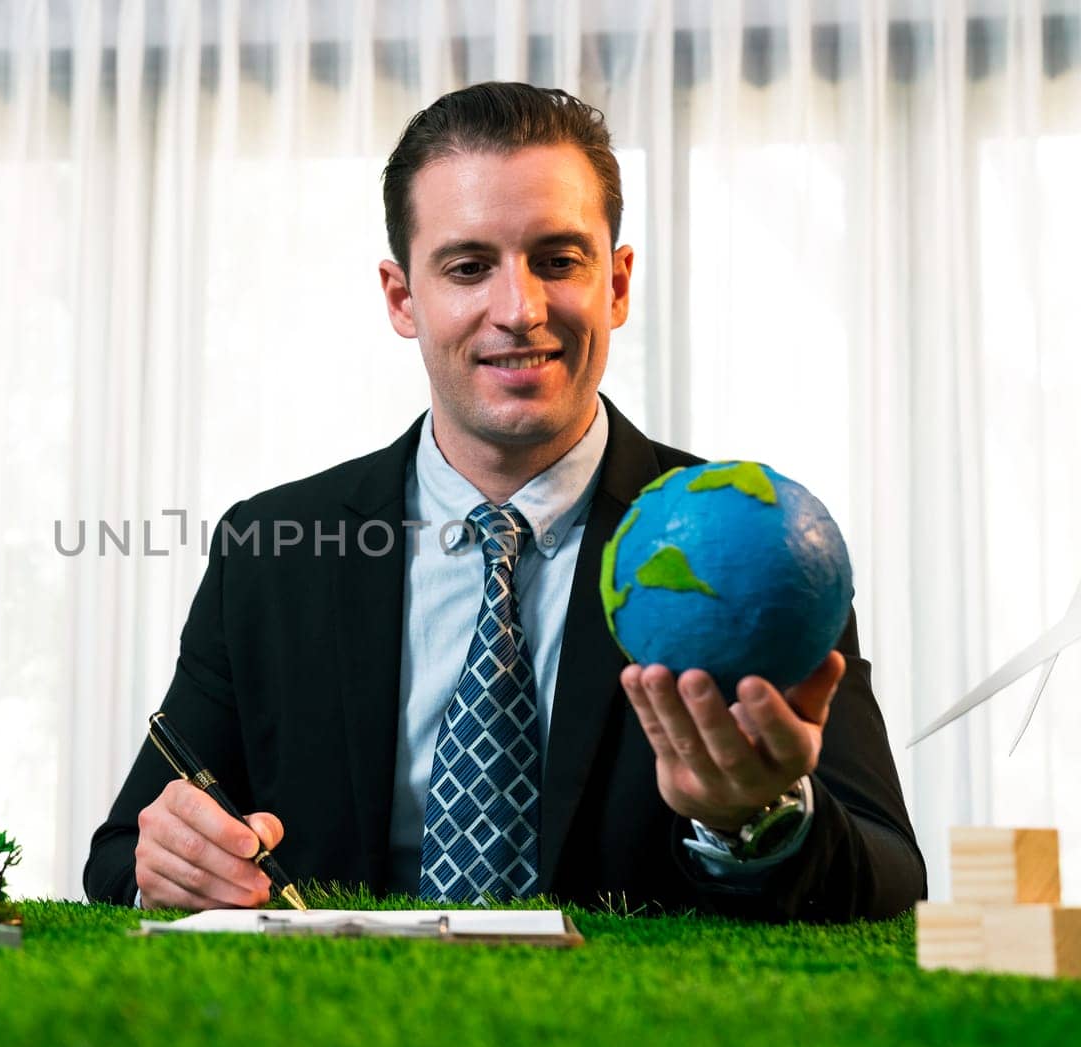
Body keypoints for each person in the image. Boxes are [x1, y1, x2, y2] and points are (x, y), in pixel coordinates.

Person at [83, 82, 926, 921]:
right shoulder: (268, 550)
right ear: (402, 297)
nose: (519, 310)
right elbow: (123, 856)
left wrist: (754, 821)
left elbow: (892, 877)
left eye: (559, 260)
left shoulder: (755, 548)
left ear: (618, 284)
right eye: (468, 266)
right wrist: (173, 861)